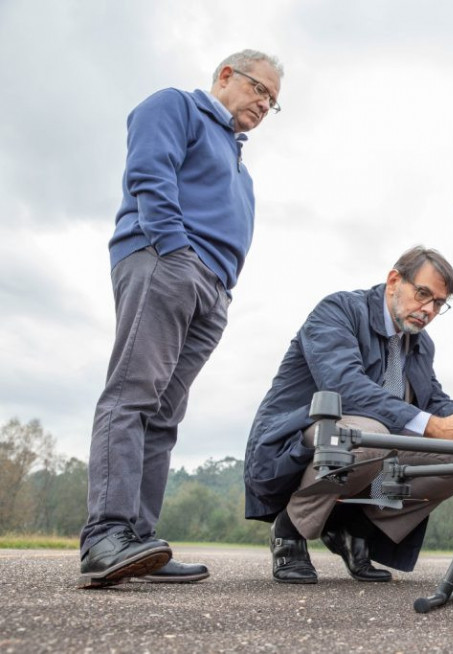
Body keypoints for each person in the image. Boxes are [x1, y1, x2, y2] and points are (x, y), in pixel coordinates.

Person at [78, 50, 284, 589]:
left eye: (273, 101)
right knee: (133, 394)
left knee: (165, 415)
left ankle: (138, 544)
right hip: (165, 263)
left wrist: (221, 287)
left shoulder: (242, 165)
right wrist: (174, 251)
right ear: (225, 76)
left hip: (212, 289)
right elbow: (149, 172)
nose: (266, 103)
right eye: (261, 90)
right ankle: (106, 534)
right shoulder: (177, 107)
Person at [244, 246, 453, 584]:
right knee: (367, 434)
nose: (429, 309)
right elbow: (345, 386)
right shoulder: (339, 310)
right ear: (393, 280)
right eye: (423, 294)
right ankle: (290, 528)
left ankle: (354, 530)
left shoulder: (420, 342)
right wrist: (432, 426)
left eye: (438, 303)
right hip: (297, 435)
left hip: (374, 440)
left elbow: (432, 398)